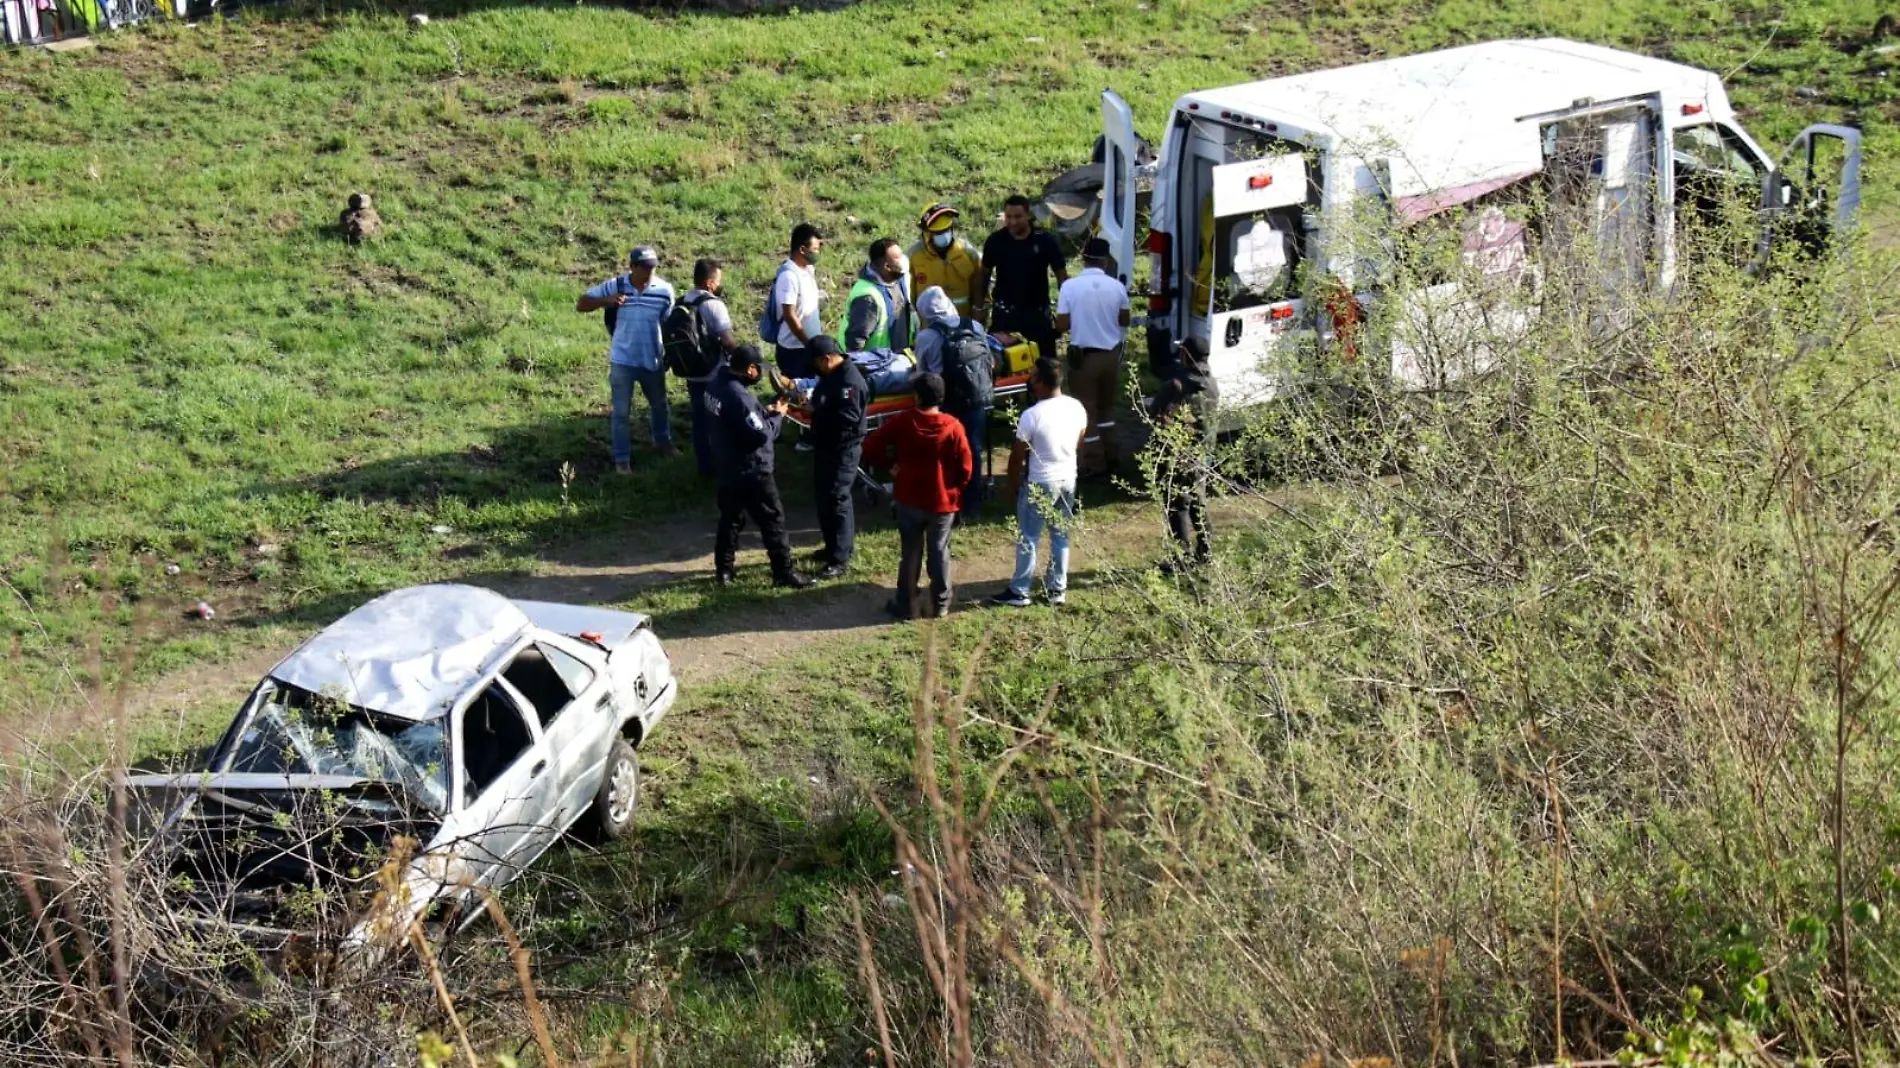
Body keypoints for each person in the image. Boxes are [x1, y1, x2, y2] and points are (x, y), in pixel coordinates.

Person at [862, 373, 972, 619]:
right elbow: (966, 467)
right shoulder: (953, 427)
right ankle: (940, 603)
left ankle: (906, 603)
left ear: (917, 396)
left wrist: (890, 464)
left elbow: (870, 445)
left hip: (908, 497)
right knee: (940, 551)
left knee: (910, 551)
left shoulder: (903, 421)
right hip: (942, 502)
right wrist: (954, 488)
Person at [704, 345, 812, 589]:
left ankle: (724, 571)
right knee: (773, 520)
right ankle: (783, 572)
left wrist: (763, 412)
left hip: (726, 465)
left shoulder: (715, 384)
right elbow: (761, 435)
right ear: (750, 369)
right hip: (752, 469)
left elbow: (738, 420)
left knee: (730, 520)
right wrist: (777, 416)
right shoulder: (739, 396)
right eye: (758, 369)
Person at [991, 358, 1088, 608]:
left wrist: (1011, 486)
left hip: (1040, 482)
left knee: (1028, 537)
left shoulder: (1031, 415)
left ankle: (1020, 591)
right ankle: (1057, 589)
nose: (1030, 381)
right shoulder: (1076, 407)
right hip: (1068, 478)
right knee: (1060, 535)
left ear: (1042, 383)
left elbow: (1016, 456)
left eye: (1033, 377)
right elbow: (1079, 442)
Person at [576, 246, 678, 473]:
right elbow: (581, 304)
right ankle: (622, 459)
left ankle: (663, 442)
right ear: (632, 267)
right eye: (645, 268)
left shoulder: (664, 290)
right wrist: (606, 300)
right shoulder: (616, 285)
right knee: (621, 412)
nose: (650, 272)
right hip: (623, 360)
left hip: (652, 358)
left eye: (653, 267)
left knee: (660, 405)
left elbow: (667, 322)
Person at [1055, 237, 1133, 477]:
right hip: (1110, 356)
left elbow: (1062, 324)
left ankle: (1092, 462)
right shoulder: (1117, 287)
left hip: (1084, 358)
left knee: (1086, 411)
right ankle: (1112, 454)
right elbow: (1125, 320)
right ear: (1106, 260)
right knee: (1107, 408)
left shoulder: (1069, 287)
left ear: (1083, 258)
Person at [914, 286, 991, 518]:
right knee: (973, 449)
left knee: (945, 451)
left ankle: (947, 501)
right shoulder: (974, 326)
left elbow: (922, 373)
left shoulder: (926, 337)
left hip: (945, 400)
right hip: (977, 395)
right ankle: (973, 504)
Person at [1145, 337, 1221, 574]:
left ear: (1186, 355)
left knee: (1177, 506)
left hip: (1177, 455)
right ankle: (1206, 553)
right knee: (1199, 502)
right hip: (1203, 453)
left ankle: (1180, 559)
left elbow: (1154, 413)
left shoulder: (1176, 385)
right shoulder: (1212, 383)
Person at [974, 194, 1066, 367]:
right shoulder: (995, 241)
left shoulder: (1045, 241)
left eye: (1018, 217)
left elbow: (1062, 276)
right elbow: (984, 275)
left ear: (1028, 216)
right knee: (1003, 365)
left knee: (1046, 365)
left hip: (1037, 314)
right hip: (1005, 314)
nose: (1012, 222)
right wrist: (979, 307)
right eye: (1008, 217)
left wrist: (1065, 310)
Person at [807, 336, 868, 580]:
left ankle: (840, 558)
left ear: (827, 358)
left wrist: (818, 413)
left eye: (815, 363)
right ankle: (831, 546)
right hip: (825, 446)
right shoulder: (830, 376)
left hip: (843, 449)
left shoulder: (849, 382)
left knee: (837, 499)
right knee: (824, 497)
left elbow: (849, 418)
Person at [679, 258, 740, 479]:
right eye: (718, 280)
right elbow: (728, 341)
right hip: (714, 373)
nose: (719, 285)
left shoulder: (682, 301)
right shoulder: (714, 305)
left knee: (700, 421)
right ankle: (723, 468)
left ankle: (704, 468)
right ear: (709, 283)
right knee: (721, 421)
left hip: (691, 372)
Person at [907, 202, 982, 319]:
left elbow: (981, 290)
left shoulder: (968, 254)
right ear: (927, 233)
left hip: (962, 325)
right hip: (929, 328)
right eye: (938, 232)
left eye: (946, 230)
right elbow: (908, 298)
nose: (943, 235)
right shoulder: (914, 256)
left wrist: (979, 318)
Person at [772, 223, 826, 380]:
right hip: (794, 350)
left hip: (808, 346)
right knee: (796, 393)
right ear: (802, 250)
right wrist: (808, 343)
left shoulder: (808, 270)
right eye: (815, 249)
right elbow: (789, 315)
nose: (817, 253)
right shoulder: (789, 276)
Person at [842, 238, 914, 354]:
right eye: (898, 257)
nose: (903, 259)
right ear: (887, 266)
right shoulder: (868, 298)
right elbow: (855, 344)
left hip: (896, 357)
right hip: (875, 366)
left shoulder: (897, 278)